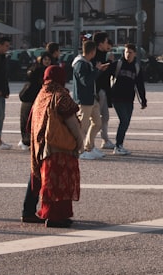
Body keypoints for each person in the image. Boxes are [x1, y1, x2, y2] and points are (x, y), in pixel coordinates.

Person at [23, 65, 84, 227]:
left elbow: (29, 122)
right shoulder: (60, 95)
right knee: (60, 183)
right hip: (57, 147)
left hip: (40, 146)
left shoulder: (42, 94)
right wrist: (80, 142)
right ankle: (55, 217)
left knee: (42, 180)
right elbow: (72, 123)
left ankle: (31, 212)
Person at [108, 44, 147, 155]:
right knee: (124, 120)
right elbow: (106, 75)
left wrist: (143, 100)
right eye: (126, 52)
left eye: (130, 52)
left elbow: (140, 85)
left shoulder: (136, 67)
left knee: (126, 122)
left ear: (135, 54)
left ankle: (120, 144)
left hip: (129, 99)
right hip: (117, 97)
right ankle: (118, 145)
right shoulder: (118, 64)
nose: (128, 54)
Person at [72, 40, 105, 160]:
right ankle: (80, 151)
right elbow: (85, 81)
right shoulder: (80, 64)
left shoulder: (87, 63)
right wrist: (96, 70)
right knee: (82, 127)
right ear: (93, 51)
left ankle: (89, 146)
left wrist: (98, 70)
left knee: (97, 123)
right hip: (83, 99)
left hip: (91, 98)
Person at [17, 54, 48, 150]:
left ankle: (30, 140)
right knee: (27, 120)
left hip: (34, 98)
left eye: (48, 59)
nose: (47, 61)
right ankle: (26, 141)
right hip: (30, 98)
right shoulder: (37, 70)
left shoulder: (41, 69)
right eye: (45, 59)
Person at [92, 32, 114, 151]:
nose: (107, 44)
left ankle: (105, 140)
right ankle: (90, 143)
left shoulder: (104, 54)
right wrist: (109, 63)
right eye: (106, 41)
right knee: (95, 118)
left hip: (104, 89)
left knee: (105, 116)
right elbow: (99, 73)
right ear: (100, 44)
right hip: (99, 90)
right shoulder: (96, 55)